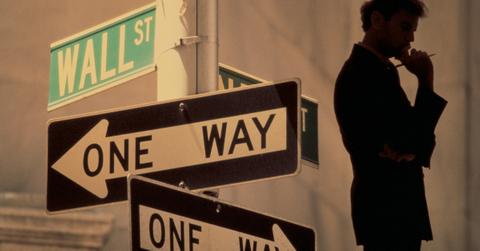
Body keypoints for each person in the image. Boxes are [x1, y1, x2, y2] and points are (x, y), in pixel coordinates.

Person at [334, 0, 447, 250]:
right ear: (377, 21)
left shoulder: (380, 71)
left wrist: (411, 147)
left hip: (395, 214)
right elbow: (412, 140)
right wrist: (426, 80)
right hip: (386, 213)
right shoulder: (361, 73)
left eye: (413, 30)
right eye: (405, 27)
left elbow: (421, 144)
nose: (410, 38)